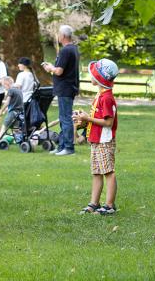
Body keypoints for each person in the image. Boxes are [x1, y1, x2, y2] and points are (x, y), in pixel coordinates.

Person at [74, 59, 119, 215]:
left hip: (104, 142)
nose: (90, 76)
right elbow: (96, 119)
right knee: (97, 172)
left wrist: (88, 118)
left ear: (100, 78)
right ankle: (94, 203)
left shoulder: (106, 98)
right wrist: (83, 120)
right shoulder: (100, 95)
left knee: (108, 172)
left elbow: (108, 122)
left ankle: (109, 206)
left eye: (93, 74)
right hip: (95, 140)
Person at [41, 25, 80, 156]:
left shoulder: (65, 50)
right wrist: (53, 67)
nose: (57, 36)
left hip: (65, 88)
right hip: (69, 87)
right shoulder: (74, 49)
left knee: (66, 118)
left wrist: (50, 68)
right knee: (63, 118)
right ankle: (62, 146)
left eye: (58, 34)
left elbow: (59, 71)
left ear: (63, 36)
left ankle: (68, 148)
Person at [0, 77, 24, 146]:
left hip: (12, 113)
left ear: (7, 84)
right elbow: (14, 103)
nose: (4, 88)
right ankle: (20, 141)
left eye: (4, 86)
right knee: (16, 129)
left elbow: (7, 102)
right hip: (19, 113)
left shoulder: (11, 90)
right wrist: (5, 111)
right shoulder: (19, 90)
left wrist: (1, 111)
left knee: (4, 127)